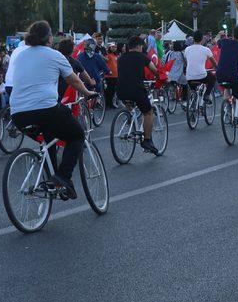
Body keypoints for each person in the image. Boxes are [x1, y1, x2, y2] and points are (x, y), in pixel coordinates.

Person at [9, 20, 94, 199]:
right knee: (77, 135)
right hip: (45, 109)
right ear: (49, 38)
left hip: (17, 113)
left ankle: (54, 183)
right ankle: (63, 177)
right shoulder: (54, 55)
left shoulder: (21, 55)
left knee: (49, 141)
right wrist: (86, 92)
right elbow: (74, 80)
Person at [115, 35, 161, 155]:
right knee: (148, 112)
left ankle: (130, 119)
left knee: (131, 105)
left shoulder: (120, 58)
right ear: (140, 46)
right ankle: (147, 140)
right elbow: (154, 70)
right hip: (136, 89)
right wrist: (160, 77)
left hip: (120, 91)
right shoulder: (142, 57)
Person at [215, 27, 238, 134]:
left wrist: (219, 33)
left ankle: (227, 108)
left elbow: (216, 41)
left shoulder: (224, 42)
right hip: (232, 75)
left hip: (220, 74)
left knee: (227, 87)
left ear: (233, 34)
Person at [183, 30, 215, 99]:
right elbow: (214, 63)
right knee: (213, 77)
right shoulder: (206, 49)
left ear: (193, 39)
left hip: (189, 77)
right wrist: (217, 68)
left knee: (193, 88)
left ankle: (193, 97)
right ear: (202, 39)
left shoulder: (187, 49)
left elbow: (186, 62)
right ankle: (207, 95)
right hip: (202, 76)